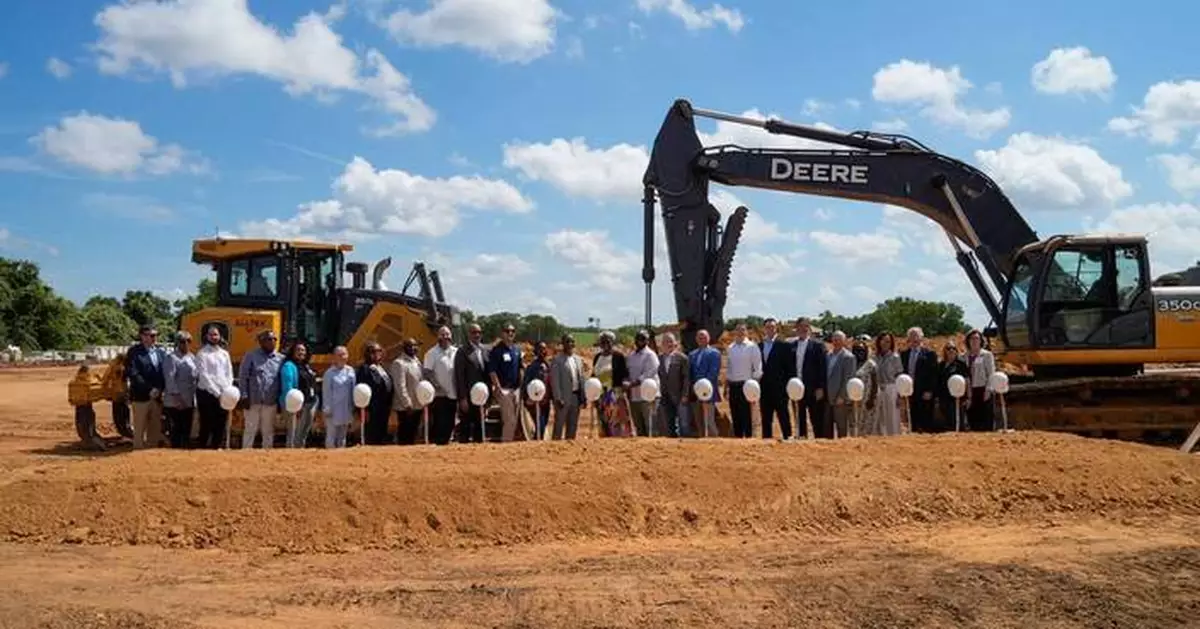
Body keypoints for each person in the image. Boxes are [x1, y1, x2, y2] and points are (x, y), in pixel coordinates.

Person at [238, 330, 284, 449]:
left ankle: (266, 456)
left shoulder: (281, 359)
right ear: (261, 342)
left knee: (268, 431)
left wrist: (280, 400)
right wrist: (244, 396)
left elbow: (281, 380)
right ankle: (245, 454)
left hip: (270, 401)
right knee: (250, 429)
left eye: (274, 339)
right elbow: (243, 377)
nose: (272, 342)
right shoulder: (251, 356)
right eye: (268, 339)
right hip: (253, 401)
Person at [125, 323, 167, 449]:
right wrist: (149, 389)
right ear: (142, 336)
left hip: (157, 397)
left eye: (156, 335)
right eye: (151, 335)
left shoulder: (161, 352)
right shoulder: (134, 352)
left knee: (155, 428)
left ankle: (151, 452)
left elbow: (164, 373)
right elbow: (133, 373)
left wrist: (160, 389)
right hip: (141, 397)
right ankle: (137, 452)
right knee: (139, 428)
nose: (154, 338)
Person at [194, 324, 233, 449]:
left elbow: (229, 373)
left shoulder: (224, 354)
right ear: (206, 336)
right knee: (206, 422)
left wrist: (227, 389)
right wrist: (216, 392)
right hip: (206, 393)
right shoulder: (202, 354)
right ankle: (202, 448)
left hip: (223, 393)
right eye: (211, 334)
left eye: (216, 334)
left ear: (220, 336)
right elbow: (204, 376)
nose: (213, 337)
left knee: (221, 422)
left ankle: (217, 447)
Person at [758, 317, 797, 440]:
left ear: (776, 329)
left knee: (783, 415)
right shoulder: (759, 346)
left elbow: (790, 368)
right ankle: (766, 440)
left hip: (781, 388)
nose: (770, 329)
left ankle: (788, 437)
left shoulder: (784, 346)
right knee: (766, 417)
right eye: (768, 327)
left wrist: (789, 386)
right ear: (764, 329)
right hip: (764, 388)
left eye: (772, 327)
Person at [487, 323, 524, 442]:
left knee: (516, 420)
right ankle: (506, 445)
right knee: (510, 420)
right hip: (503, 390)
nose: (510, 333)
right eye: (507, 331)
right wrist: (498, 388)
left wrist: (521, 386)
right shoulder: (496, 350)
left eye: (512, 331)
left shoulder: (517, 350)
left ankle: (510, 443)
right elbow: (492, 371)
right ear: (502, 333)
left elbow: (520, 368)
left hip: (516, 390)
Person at [725, 323, 763, 438]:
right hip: (733, 386)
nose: (740, 332)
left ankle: (749, 439)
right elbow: (729, 368)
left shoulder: (752, 346)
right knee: (735, 414)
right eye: (738, 330)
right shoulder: (731, 348)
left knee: (748, 415)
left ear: (746, 332)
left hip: (747, 386)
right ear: (735, 332)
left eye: (743, 330)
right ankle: (738, 439)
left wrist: (755, 387)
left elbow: (758, 367)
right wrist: (726, 386)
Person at [792, 317, 827, 440]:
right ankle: (802, 440)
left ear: (809, 328)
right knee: (800, 417)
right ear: (797, 329)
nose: (803, 329)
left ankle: (819, 440)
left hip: (813, 388)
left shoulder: (818, 345)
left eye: (806, 326)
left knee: (816, 418)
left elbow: (823, 368)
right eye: (800, 326)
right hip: (797, 388)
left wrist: (821, 387)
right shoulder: (792, 346)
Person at [900, 326, 939, 433]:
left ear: (921, 338)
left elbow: (934, 374)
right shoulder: (903, 354)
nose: (914, 339)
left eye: (916, 336)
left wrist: (930, 390)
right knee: (912, 420)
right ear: (908, 339)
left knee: (925, 421)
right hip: (909, 392)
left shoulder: (930, 354)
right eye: (912, 336)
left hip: (924, 393)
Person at [279, 340, 317, 448]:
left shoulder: (306, 366)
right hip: (296, 405)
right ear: (293, 351)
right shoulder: (288, 366)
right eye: (298, 350)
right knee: (294, 434)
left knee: (303, 433)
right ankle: (291, 454)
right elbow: (287, 387)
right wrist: (294, 406)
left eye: (303, 350)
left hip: (309, 403)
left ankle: (300, 453)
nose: (301, 352)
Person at [423, 326, 458, 445]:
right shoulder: (431, 353)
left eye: (447, 334)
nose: (445, 337)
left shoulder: (456, 352)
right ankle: (438, 447)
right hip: (439, 396)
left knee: (451, 423)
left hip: (454, 394)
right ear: (438, 337)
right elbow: (427, 372)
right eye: (443, 334)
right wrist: (437, 386)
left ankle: (446, 446)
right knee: (440, 424)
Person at [454, 323, 489, 443]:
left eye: (479, 332)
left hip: (482, 397)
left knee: (480, 428)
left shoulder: (485, 350)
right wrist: (462, 398)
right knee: (465, 428)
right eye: (474, 332)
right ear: (468, 334)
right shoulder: (462, 351)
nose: (477, 335)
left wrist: (488, 398)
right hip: (468, 398)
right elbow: (459, 376)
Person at [162, 331, 197, 448]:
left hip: (189, 399)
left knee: (186, 429)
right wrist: (178, 399)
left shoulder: (192, 357)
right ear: (177, 343)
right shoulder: (171, 358)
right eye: (182, 341)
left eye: (188, 341)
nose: (186, 344)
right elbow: (170, 379)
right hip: (175, 401)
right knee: (176, 430)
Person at [593, 331, 631, 437]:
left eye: (608, 342)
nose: (605, 344)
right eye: (603, 342)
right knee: (604, 421)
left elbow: (625, 374)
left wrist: (625, 384)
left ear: (612, 342)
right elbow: (594, 375)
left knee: (617, 422)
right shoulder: (597, 357)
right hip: (601, 395)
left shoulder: (619, 356)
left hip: (615, 394)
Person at [356, 341, 394, 445]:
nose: (377, 354)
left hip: (384, 407)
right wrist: (365, 410)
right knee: (372, 435)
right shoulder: (364, 369)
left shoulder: (381, 367)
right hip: (372, 409)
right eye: (373, 351)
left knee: (382, 434)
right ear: (367, 354)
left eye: (379, 351)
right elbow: (361, 390)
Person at [623, 330, 660, 437]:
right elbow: (627, 372)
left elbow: (649, 374)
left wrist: (631, 384)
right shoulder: (631, 356)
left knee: (651, 427)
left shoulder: (651, 355)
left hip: (648, 397)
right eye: (638, 338)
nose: (640, 341)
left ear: (647, 341)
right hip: (634, 397)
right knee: (639, 427)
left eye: (643, 339)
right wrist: (625, 381)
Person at [865, 332, 903, 436]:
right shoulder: (874, 357)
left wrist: (899, 395)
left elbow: (899, 375)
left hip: (891, 388)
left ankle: (893, 437)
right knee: (877, 416)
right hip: (877, 388)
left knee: (891, 416)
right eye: (883, 341)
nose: (885, 343)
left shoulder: (895, 357)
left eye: (888, 341)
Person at [389, 338, 425, 445]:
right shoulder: (399, 363)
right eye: (410, 346)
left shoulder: (417, 362)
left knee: (413, 434)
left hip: (417, 405)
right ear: (404, 348)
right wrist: (407, 404)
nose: (413, 348)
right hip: (406, 408)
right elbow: (400, 386)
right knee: (405, 435)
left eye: (415, 345)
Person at [686, 329, 721, 437]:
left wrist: (702, 387)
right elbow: (690, 374)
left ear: (708, 338)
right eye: (699, 337)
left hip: (708, 391)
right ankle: (702, 442)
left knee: (709, 421)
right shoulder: (692, 354)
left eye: (704, 337)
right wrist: (693, 388)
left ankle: (715, 441)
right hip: (695, 393)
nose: (701, 339)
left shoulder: (714, 353)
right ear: (696, 339)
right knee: (699, 421)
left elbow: (713, 372)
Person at [550, 334, 585, 440]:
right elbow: (555, 381)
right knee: (559, 425)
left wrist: (583, 397)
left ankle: (569, 447)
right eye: (568, 341)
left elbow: (581, 379)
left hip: (575, 397)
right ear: (563, 344)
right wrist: (558, 398)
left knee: (573, 426)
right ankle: (555, 447)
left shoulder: (578, 359)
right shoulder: (557, 360)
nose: (570, 344)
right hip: (563, 398)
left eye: (572, 341)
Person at [656, 332, 690, 438]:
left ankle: (685, 442)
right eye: (666, 342)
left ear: (675, 343)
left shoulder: (682, 358)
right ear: (662, 344)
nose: (669, 344)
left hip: (679, 395)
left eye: (671, 341)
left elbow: (686, 378)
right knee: (668, 422)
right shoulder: (658, 359)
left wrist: (685, 395)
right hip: (665, 396)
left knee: (683, 423)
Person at [824, 331, 857, 439]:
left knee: (841, 428)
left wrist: (842, 396)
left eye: (839, 339)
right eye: (834, 339)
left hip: (840, 399)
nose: (836, 342)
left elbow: (848, 378)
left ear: (844, 341)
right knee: (827, 428)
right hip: (827, 397)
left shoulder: (849, 357)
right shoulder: (828, 355)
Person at [322, 346, 356, 448]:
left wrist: (353, 407)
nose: (342, 357)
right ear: (334, 357)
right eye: (339, 355)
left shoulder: (351, 371)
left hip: (346, 408)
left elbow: (353, 389)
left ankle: (341, 455)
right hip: (333, 410)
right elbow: (326, 392)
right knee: (331, 436)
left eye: (344, 354)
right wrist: (327, 409)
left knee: (342, 437)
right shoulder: (329, 373)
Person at [963, 329, 997, 432]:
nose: (974, 341)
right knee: (973, 418)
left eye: (977, 338)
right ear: (968, 341)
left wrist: (988, 389)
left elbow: (991, 373)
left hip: (983, 389)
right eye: (972, 339)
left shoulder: (987, 355)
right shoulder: (964, 357)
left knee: (986, 418)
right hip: (970, 390)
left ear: (981, 340)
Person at [936, 341, 969, 431]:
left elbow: (967, 380)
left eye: (953, 348)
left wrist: (969, 397)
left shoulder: (961, 364)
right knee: (947, 420)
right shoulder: (941, 365)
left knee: (959, 421)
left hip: (958, 398)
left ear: (956, 351)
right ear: (945, 351)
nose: (951, 350)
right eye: (948, 348)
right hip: (944, 397)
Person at [522, 340, 551, 441]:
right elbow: (526, 383)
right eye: (540, 349)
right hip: (535, 403)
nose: (543, 351)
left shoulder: (548, 365)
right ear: (536, 351)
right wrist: (527, 398)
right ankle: (536, 445)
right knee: (540, 426)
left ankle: (537, 443)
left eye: (544, 349)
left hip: (546, 402)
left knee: (543, 424)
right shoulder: (532, 367)